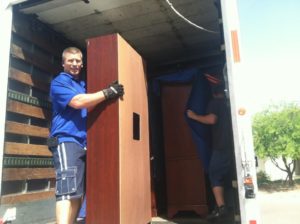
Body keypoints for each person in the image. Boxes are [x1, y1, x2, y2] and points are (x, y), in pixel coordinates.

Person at [48, 47, 124, 224]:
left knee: (77, 193)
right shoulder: (59, 82)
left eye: (78, 61)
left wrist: (105, 96)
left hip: (81, 142)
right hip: (66, 141)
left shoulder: (81, 85)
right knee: (66, 191)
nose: (74, 64)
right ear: (63, 63)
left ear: (82, 63)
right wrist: (107, 93)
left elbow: (89, 103)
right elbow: (77, 102)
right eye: (70, 60)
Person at [187, 84, 234, 222]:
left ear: (213, 93)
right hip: (227, 146)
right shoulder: (225, 105)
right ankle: (224, 207)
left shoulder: (215, 103)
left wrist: (193, 116)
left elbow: (211, 119)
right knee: (222, 175)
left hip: (221, 146)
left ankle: (221, 208)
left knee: (214, 175)